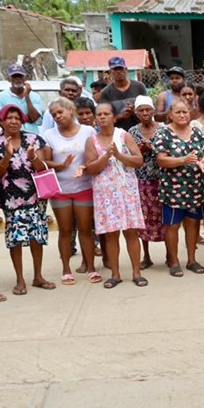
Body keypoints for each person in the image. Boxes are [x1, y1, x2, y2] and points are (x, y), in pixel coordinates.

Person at [0, 104, 55, 296]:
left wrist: (33, 157)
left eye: (17, 117)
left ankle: (38, 276)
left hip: (35, 196)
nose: (13, 121)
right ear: (1, 121)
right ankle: (20, 279)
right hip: (11, 198)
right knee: (15, 239)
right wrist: (7, 155)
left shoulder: (33, 139)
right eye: (9, 118)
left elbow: (42, 169)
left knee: (37, 236)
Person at [83, 101, 145, 288]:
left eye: (106, 114)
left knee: (131, 232)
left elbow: (138, 160)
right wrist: (106, 157)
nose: (102, 117)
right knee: (111, 234)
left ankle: (136, 272)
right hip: (105, 193)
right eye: (99, 114)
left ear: (114, 116)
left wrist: (118, 155)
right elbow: (91, 167)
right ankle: (115, 274)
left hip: (126, 191)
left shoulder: (123, 135)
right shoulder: (91, 140)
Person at [41, 98, 99, 284]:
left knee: (85, 229)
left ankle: (90, 268)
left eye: (60, 112)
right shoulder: (49, 135)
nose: (57, 117)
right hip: (60, 189)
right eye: (54, 114)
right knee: (65, 230)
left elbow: (94, 156)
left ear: (70, 110)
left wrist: (84, 166)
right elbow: (45, 162)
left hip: (84, 186)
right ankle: (66, 269)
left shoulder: (88, 131)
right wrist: (60, 164)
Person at [153, 99, 204, 277]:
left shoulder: (196, 132)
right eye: (178, 112)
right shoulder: (163, 133)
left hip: (195, 187)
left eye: (185, 112)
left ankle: (192, 260)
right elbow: (161, 159)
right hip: (173, 189)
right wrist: (183, 160)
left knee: (193, 223)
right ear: (170, 115)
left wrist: (203, 161)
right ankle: (174, 261)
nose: (182, 115)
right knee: (173, 225)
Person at [128, 97, 166, 271]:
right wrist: (140, 151)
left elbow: (169, 150)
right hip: (141, 181)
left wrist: (153, 150)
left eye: (147, 110)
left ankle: (169, 254)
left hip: (162, 180)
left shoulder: (163, 129)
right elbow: (129, 155)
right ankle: (146, 256)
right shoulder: (132, 131)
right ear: (136, 113)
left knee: (165, 218)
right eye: (141, 110)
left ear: (153, 111)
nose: (144, 113)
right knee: (142, 219)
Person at [0, 65, 44, 136]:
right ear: (9, 79)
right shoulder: (0, 97)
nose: (17, 79)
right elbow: (0, 120)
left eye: (20, 76)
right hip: (10, 137)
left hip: (32, 136)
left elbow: (33, 118)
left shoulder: (34, 96)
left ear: (25, 78)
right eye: (14, 76)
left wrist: (27, 96)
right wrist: (25, 118)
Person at [98, 57, 148, 130]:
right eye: (115, 69)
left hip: (140, 131)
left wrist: (134, 112)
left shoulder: (139, 87)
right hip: (117, 133)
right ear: (110, 72)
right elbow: (104, 119)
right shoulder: (106, 92)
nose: (118, 72)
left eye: (121, 68)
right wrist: (120, 116)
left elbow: (148, 111)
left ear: (126, 70)